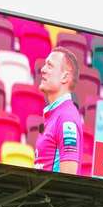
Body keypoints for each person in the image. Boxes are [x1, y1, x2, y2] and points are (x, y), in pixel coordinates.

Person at [35, 47, 84, 175]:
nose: (43, 70)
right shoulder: (56, 115)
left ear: (64, 77)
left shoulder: (66, 118)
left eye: (50, 66)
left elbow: (68, 179)